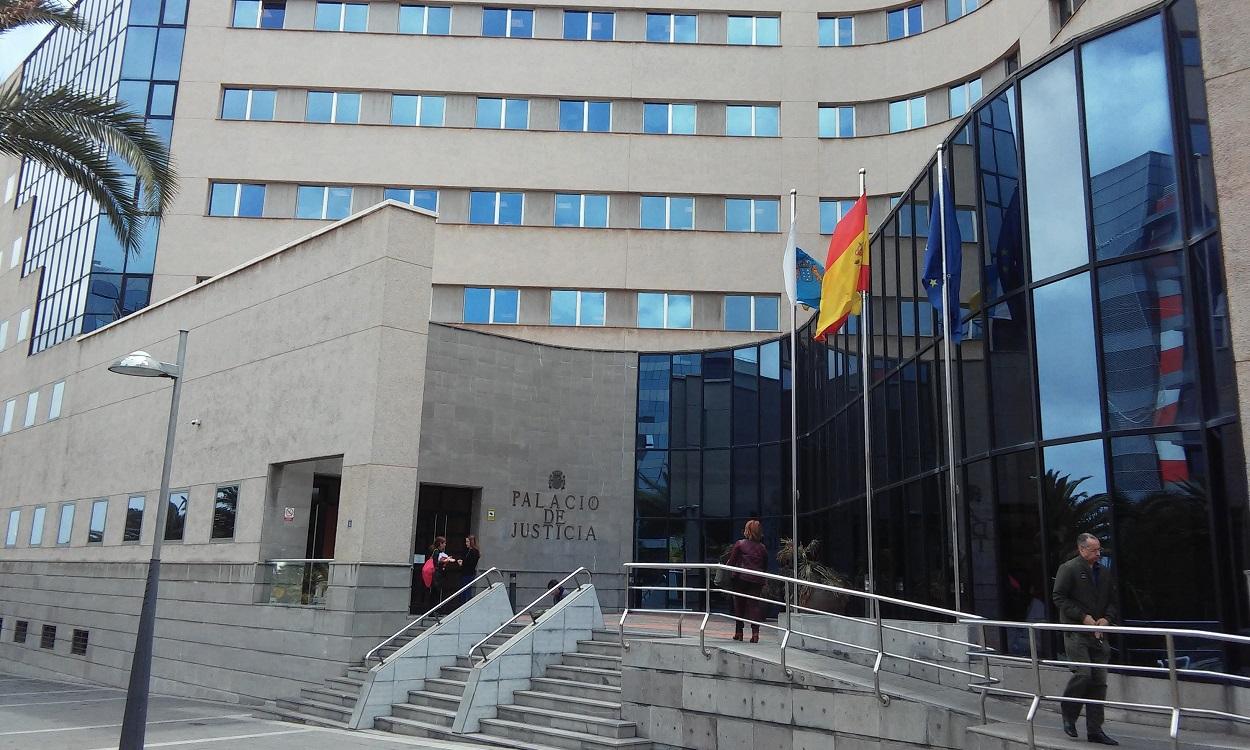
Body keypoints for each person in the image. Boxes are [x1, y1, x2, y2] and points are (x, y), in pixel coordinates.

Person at [1052, 533, 1119, 746]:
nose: (1098, 554)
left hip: (1099, 635)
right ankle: (1068, 711)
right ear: (1082, 550)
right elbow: (1059, 597)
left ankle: (1095, 729)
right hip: (1077, 633)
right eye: (1094, 550)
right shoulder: (1069, 569)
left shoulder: (1104, 572)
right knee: (1083, 674)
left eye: (1099, 550)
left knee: (1099, 681)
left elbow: (1113, 600)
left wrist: (1106, 619)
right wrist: (1083, 618)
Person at [725, 519, 769, 643]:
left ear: (747, 531)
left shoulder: (740, 544)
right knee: (754, 606)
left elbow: (731, 562)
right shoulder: (762, 548)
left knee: (739, 604)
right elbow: (765, 566)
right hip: (757, 579)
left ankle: (739, 632)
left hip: (740, 578)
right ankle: (755, 634)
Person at [459, 535, 481, 605]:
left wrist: (462, 563)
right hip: (468, 572)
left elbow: (470, 563)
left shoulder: (473, 551)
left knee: (466, 591)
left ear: (471, 542)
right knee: (466, 590)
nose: (466, 543)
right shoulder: (471, 551)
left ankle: (465, 604)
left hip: (468, 573)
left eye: (467, 542)